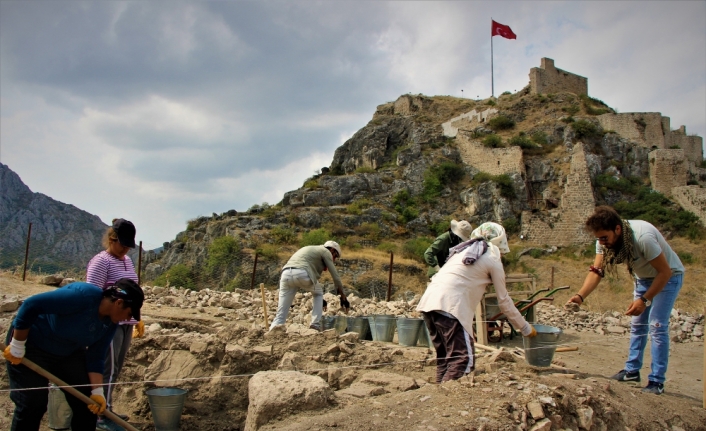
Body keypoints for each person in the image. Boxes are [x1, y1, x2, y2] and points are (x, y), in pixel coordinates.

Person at [565, 206, 684, 395]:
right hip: (644, 279)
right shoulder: (603, 242)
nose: (602, 243)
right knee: (637, 324)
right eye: (598, 239)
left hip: (668, 278)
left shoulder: (642, 237)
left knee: (657, 325)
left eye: (604, 237)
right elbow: (597, 271)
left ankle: (656, 381)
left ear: (617, 229)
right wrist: (580, 297)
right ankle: (632, 371)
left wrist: (644, 300)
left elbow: (665, 272)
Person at [3, 279, 144, 431]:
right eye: (129, 313)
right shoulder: (81, 297)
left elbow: (96, 356)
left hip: (68, 352)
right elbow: (31, 305)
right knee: (32, 403)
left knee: (88, 403)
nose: (129, 319)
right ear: (118, 303)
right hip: (31, 345)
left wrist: (97, 392)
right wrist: (17, 344)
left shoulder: (110, 323)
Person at [417, 222, 537, 383]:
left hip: (429, 304)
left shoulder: (462, 252)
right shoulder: (492, 258)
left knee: (445, 359)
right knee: (463, 361)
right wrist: (525, 328)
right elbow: (504, 301)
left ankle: (437, 394)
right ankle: (447, 402)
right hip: (450, 308)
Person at [86, 218, 145, 430]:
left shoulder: (126, 261)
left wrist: (137, 318)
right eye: (122, 245)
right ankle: (101, 415)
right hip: (110, 322)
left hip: (125, 321)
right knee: (107, 367)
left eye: (129, 246)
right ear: (112, 239)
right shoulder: (102, 261)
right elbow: (92, 294)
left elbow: (132, 290)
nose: (126, 250)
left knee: (117, 366)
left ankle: (107, 406)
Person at [269, 241, 347, 331]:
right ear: (332, 250)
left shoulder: (311, 248)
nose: (334, 259)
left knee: (283, 308)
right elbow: (335, 276)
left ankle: (274, 328)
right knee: (318, 293)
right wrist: (342, 295)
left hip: (286, 274)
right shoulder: (326, 252)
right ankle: (315, 324)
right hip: (302, 272)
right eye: (335, 256)